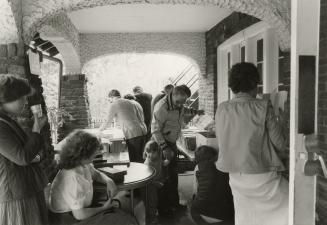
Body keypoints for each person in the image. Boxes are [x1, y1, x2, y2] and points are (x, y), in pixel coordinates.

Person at [216, 62, 288, 225]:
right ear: (254, 84)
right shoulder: (263, 106)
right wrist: (282, 123)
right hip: (262, 176)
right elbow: (280, 145)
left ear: (232, 85)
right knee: (289, 209)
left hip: (235, 175)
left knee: (247, 217)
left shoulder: (222, 108)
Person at [49, 130, 138, 225]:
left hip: (79, 211)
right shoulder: (72, 178)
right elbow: (79, 215)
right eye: (94, 151)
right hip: (69, 219)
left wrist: (108, 180)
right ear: (84, 154)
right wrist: (103, 208)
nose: (97, 153)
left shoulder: (81, 163)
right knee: (125, 220)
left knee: (124, 216)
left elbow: (96, 174)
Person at [0, 75, 49, 225]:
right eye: (21, 98)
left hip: (24, 188)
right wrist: (36, 129)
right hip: (17, 193)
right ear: (5, 99)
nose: (25, 102)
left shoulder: (6, 120)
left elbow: (23, 152)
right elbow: (22, 157)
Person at [151, 84, 204, 216]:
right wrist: (164, 148)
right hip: (162, 144)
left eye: (184, 101)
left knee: (173, 176)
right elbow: (155, 130)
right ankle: (163, 209)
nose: (181, 104)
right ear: (173, 95)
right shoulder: (161, 108)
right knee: (164, 177)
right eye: (179, 101)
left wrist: (194, 112)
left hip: (172, 142)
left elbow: (182, 110)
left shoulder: (178, 103)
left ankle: (174, 203)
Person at [190, 145, 234, 225]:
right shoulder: (226, 167)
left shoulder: (198, 168)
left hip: (201, 214)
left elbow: (195, 192)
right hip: (226, 216)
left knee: (194, 201)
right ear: (215, 156)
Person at [100, 89, 147, 162]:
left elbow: (108, 121)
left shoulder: (114, 104)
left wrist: (100, 130)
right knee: (141, 157)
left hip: (132, 133)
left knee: (134, 159)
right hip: (141, 131)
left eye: (109, 100)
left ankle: (138, 172)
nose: (110, 101)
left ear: (111, 97)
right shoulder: (130, 102)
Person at [143, 140, 169, 225]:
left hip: (157, 182)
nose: (150, 155)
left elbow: (159, 163)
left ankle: (153, 215)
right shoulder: (147, 163)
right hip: (149, 185)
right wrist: (157, 183)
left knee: (155, 200)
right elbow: (146, 179)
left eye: (153, 153)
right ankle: (151, 220)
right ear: (145, 152)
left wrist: (163, 162)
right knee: (151, 202)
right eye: (148, 153)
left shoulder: (158, 157)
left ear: (158, 152)